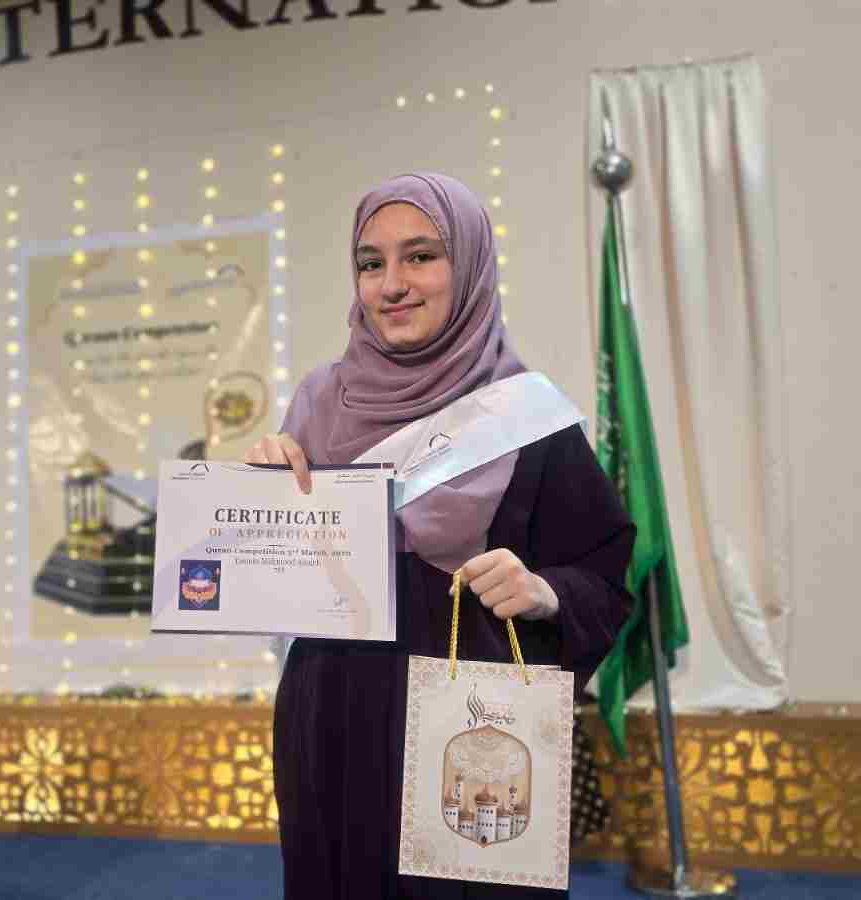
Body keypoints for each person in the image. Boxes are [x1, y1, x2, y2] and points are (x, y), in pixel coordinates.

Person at [247, 172, 637, 899]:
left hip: (473, 726)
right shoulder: (317, 403)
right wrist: (263, 497)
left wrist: (546, 591)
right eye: (371, 263)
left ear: (470, 266)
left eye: (421, 256)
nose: (392, 284)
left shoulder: (527, 417)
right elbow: (280, 586)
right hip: (333, 717)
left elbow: (606, 578)